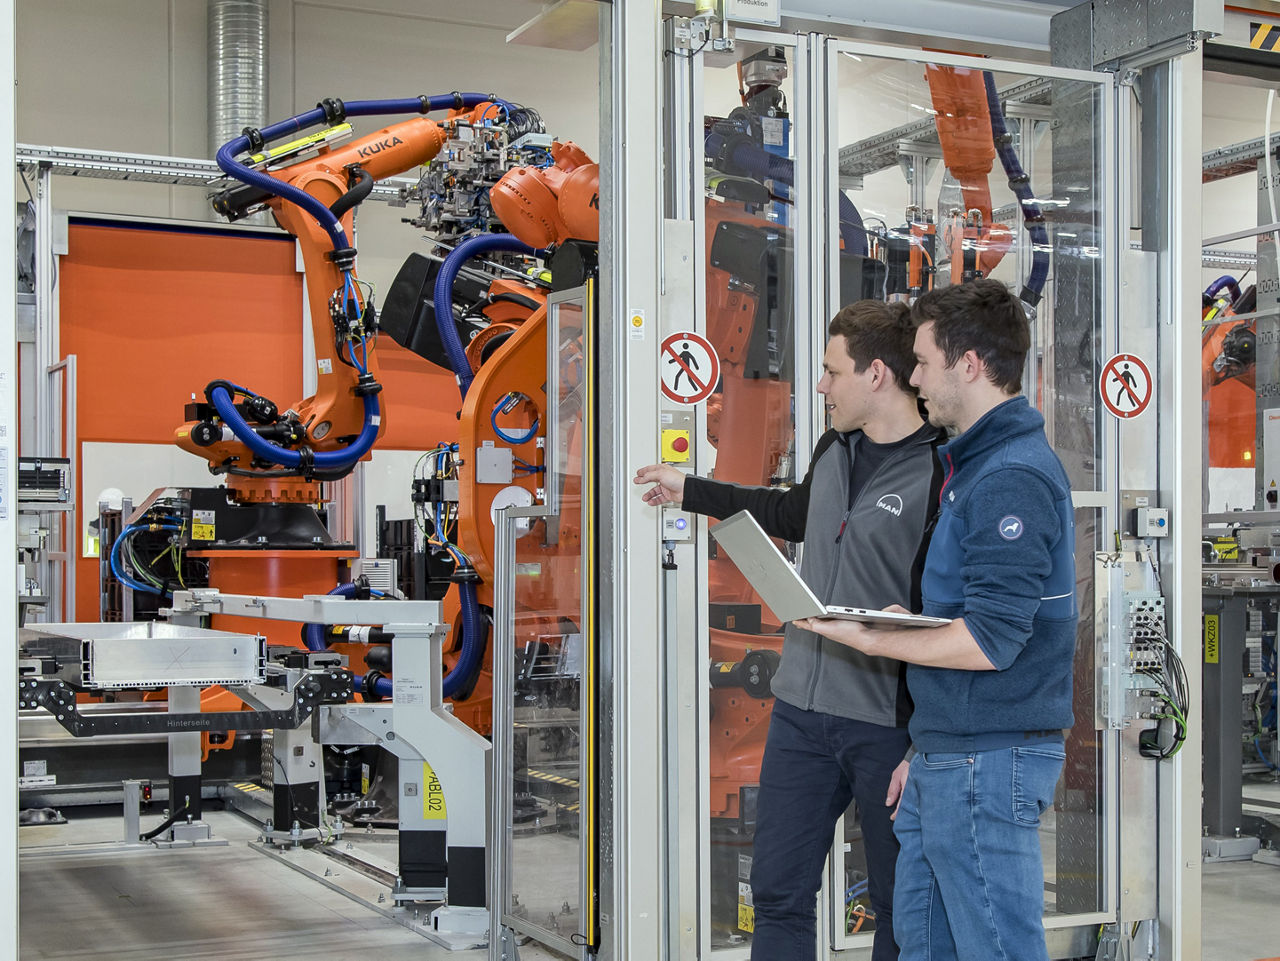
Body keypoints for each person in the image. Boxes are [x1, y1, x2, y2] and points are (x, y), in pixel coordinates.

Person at [634, 300, 944, 961]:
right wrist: (689, 488)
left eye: (833, 372)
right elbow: (790, 513)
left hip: (886, 720)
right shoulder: (835, 448)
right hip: (802, 707)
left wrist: (929, 736)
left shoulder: (941, 471)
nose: (823, 386)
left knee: (901, 903)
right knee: (776, 890)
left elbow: (947, 609)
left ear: (879, 375)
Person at [799, 278, 1077, 961]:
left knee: (996, 948)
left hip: (990, 759)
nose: (913, 377)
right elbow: (965, 613)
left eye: (921, 362)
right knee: (923, 945)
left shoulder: (1011, 476)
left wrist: (876, 636)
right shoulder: (974, 465)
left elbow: (990, 638)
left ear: (970, 365)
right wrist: (924, 745)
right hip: (950, 753)